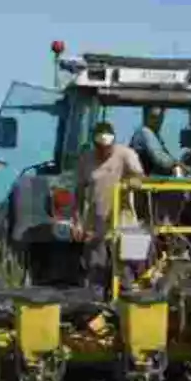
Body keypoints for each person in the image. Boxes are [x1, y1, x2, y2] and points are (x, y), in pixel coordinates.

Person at [75, 121, 145, 288]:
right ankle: (95, 305)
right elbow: (79, 192)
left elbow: (140, 176)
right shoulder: (86, 160)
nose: (105, 151)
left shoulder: (126, 154)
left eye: (108, 147)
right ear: (95, 144)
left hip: (123, 219)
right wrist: (77, 221)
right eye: (100, 147)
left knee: (126, 269)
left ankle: (127, 300)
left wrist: (133, 181)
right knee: (95, 268)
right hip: (96, 221)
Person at [129, 106, 184, 177]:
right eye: (153, 117)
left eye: (160, 117)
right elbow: (160, 158)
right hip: (144, 182)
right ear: (145, 116)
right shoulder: (145, 132)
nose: (157, 121)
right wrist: (176, 164)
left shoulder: (156, 136)